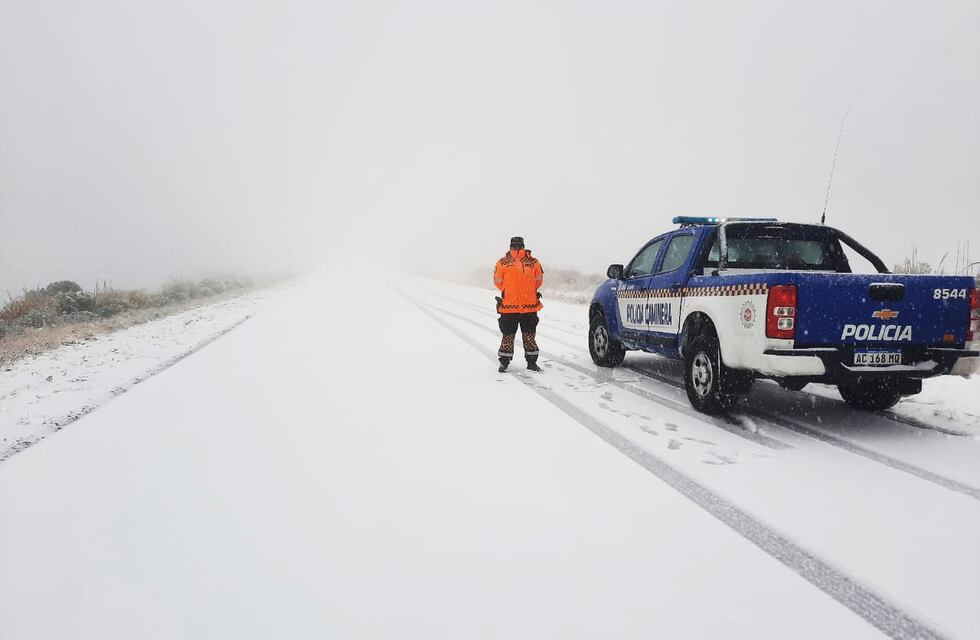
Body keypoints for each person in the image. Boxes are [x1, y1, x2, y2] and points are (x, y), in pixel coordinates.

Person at [493, 236, 544, 373]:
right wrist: (509, 293)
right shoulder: (502, 263)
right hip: (509, 307)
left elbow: (538, 281)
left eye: (518, 245)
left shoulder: (534, 262)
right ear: (510, 245)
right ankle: (504, 363)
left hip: (529, 306)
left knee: (529, 336)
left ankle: (532, 363)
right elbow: (498, 282)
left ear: (523, 245)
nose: (516, 247)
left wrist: (528, 293)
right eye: (514, 245)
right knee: (508, 336)